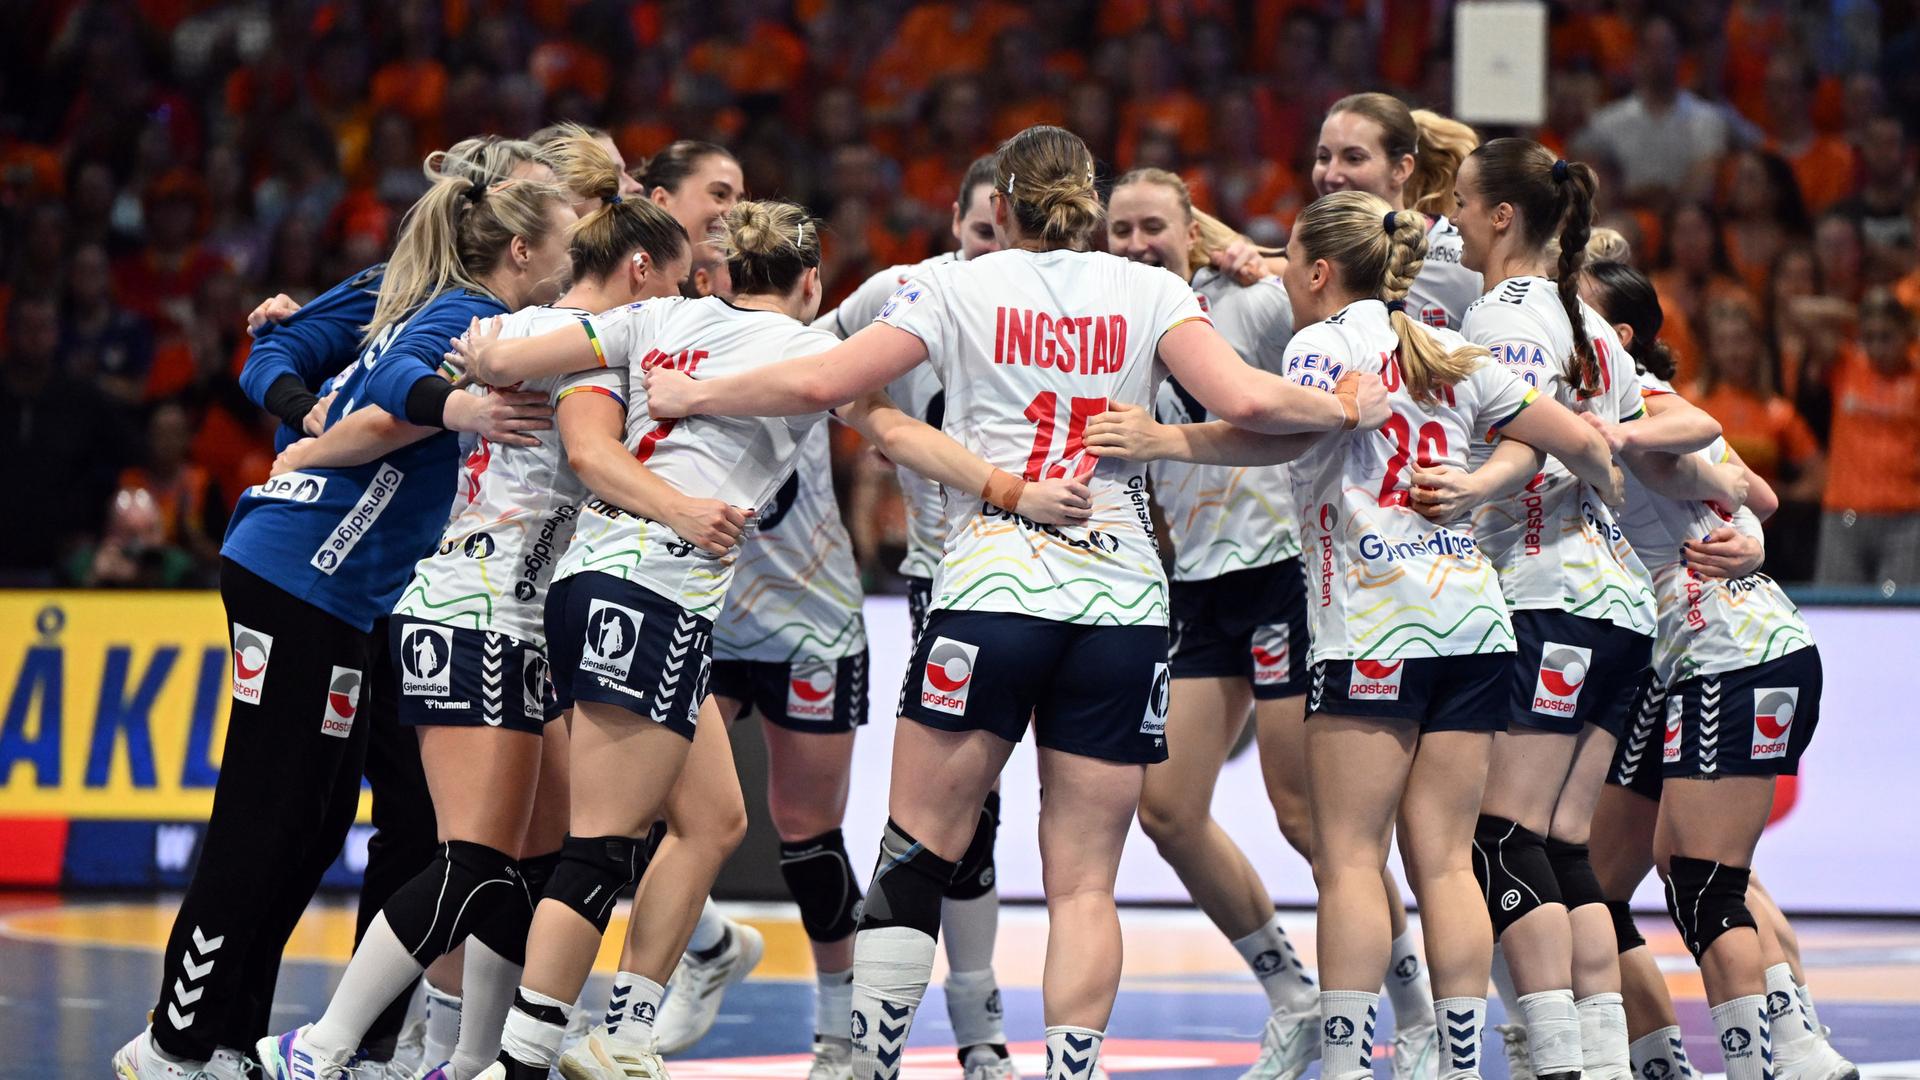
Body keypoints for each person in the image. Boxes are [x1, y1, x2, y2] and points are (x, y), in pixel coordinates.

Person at [638, 124, 1387, 1080]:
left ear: (1007, 209)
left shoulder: (954, 282)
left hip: (992, 584)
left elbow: (823, 380)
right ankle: (1070, 1070)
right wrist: (1342, 408)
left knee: (917, 851)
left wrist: (693, 396)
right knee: (1083, 886)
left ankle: (866, 1064)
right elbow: (1246, 402)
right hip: (1121, 601)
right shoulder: (1153, 291)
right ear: (1087, 200)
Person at [443, 196, 1095, 1080]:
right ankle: (519, 1061)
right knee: (599, 845)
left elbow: (522, 353)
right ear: (811, 282)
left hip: (594, 580)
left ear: (722, 272)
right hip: (653, 585)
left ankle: (626, 1031)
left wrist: (481, 351)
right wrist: (1011, 489)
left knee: (713, 821)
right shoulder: (812, 353)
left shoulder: (655, 314)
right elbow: (890, 427)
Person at [1083, 189, 1624, 1080]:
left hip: (1373, 626)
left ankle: (1341, 1063)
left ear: (1323, 271)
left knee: (1348, 859)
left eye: (1291, 260)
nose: (1281, 273)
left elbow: (1265, 428)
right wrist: (1499, 488)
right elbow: (1573, 438)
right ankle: (1454, 1064)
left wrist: (1160, 439)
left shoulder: (1321, 344)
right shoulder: (1449, 347)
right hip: (1475, 626)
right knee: (1446, 861)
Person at [113, 148, 575, 1080]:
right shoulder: (466, 312)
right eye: (569, 240)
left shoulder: (488, 312)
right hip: (300, 574)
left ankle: (230, 1037)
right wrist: (460, 409)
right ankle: (171, 1039)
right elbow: (400, 378)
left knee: (312, 822)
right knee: (265, 810)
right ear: (521, 249)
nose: (577, 254)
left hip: (340, 590)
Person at [256, 131, 694, 1080]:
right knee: (475, 863)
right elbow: (389, 389)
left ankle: (465, 1060)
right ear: (637, 267)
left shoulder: (529, 335)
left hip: (517, 621)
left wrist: (320, 444)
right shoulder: (538, 340)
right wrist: (320, 440)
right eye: (674, 283)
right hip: (472, 613)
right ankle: (319, 1046)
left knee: (520, 868)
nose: (678, 307)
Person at [1576, 258, 1858, 1080]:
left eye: (1573, 306)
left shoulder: (1630, 399)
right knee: (1600, 881)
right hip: (1680, 659)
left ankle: (1779, 1056)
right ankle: (1675, 1059)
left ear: (1619, 340)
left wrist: (1620, 437)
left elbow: (1697, 430)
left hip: (1729, 650)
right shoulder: (1577, 401)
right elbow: (1758, 495)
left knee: (1706, 882)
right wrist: (1742, 509)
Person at [1448, 139, 1691, 1080]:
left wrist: (1473, 490)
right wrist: (1736, 499)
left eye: (1464, 204)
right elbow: (1662, 431)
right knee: (1562, 844)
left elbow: (1536, 437)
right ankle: (1597, 1055)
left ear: (1503, 217)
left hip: (1551, 595)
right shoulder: (1583, 319)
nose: (1457, 220)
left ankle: (1556, 1058)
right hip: (1622, 607)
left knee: (1502, 833)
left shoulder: (1509, 313)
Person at [1105, 166, 1329, 1080]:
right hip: (1195, 583)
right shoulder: (1118, 321)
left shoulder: (1250, 303)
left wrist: (1257, 253)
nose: (1133, 244)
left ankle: (1415, 1008)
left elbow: (1340, 298)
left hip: (1283, 572)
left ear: (1191, 226)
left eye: (1152, 225)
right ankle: (1294, 996)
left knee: (1309, 819)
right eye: (1118, 230)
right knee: (1166, 809)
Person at [1815, 288, 1920, 588]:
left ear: (1906, 334)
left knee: (1901, 618)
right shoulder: (1847, 365)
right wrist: (1856, 314)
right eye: (1869, 337)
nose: (1877, 347)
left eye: (1887, 336)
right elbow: (1800, 313)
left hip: (1906, 521)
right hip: (1844, 517)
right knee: (1836, 613)